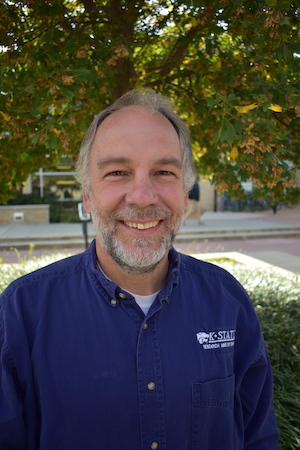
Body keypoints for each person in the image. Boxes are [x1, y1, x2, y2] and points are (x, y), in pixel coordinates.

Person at [0, 89, 278, 449]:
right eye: (117, 172)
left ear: (185, 190)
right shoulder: (22, 312)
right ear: (87, 195)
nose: (143, 196)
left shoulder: (228, 300)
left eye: (164, 171)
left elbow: (257, 436)